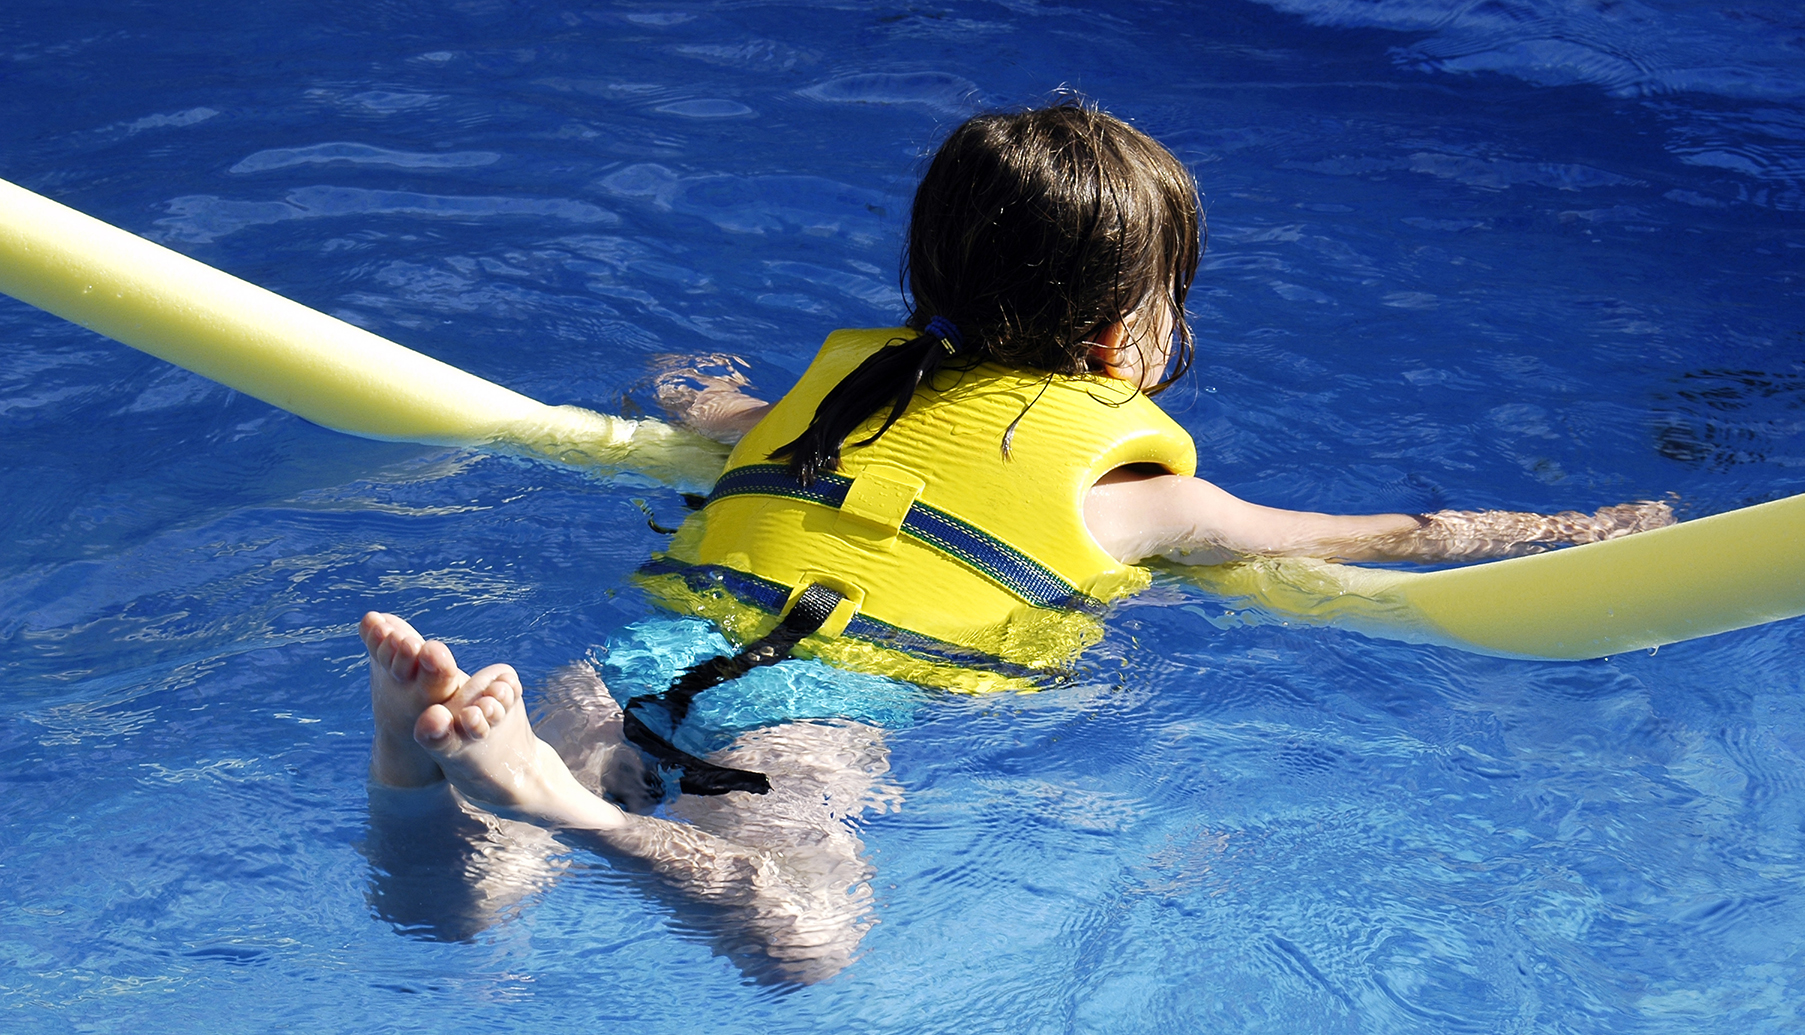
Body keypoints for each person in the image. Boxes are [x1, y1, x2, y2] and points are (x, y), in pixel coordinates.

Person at [361, 104, 1670, 979]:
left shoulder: (837, 394)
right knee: (806, 941)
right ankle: (560, 808)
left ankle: (434, 761)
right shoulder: (1143, 497)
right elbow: (1401, 535)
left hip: (648, 651)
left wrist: (685, 361)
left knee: (454, 918)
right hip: (808, 720)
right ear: (1122, 338)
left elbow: (685, 394)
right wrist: (1577, 530)